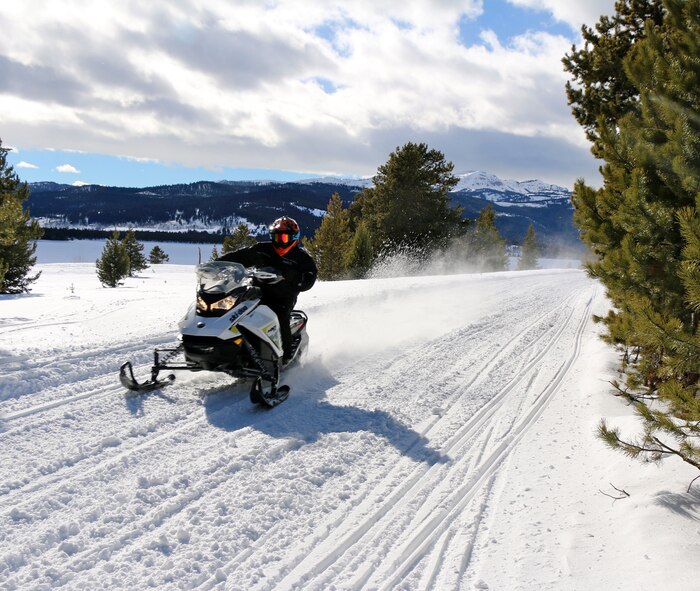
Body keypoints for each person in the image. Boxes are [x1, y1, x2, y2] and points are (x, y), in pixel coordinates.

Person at [218, 216, 317, 363]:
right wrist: (219, 263)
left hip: (283, 296)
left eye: (283, 238)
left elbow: (310, 276)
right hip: (256, 292)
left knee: (280, 317)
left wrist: (296, 281)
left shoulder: (301, 258)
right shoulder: (262, 250)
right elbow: (240, 256)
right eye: (275, 237)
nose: (279, 242)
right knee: (232, 311)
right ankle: (227, 347)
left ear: (293, 239)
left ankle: (285, 355)